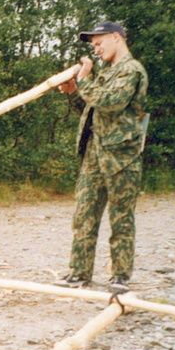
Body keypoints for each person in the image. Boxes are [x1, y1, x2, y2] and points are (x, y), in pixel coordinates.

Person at [54, 21, 149, 293]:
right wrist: (74, 92)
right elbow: (91, 108)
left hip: (122, 155)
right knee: (84, 215)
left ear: (117, 38)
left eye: (99, 43)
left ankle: (120, 276)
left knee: (121, 217)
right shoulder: (106, 71)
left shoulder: (131, 70)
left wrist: (83, 79)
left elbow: (111, 102)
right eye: (93, 45)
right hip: (95, 154)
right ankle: (79, 273)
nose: (96, 49)